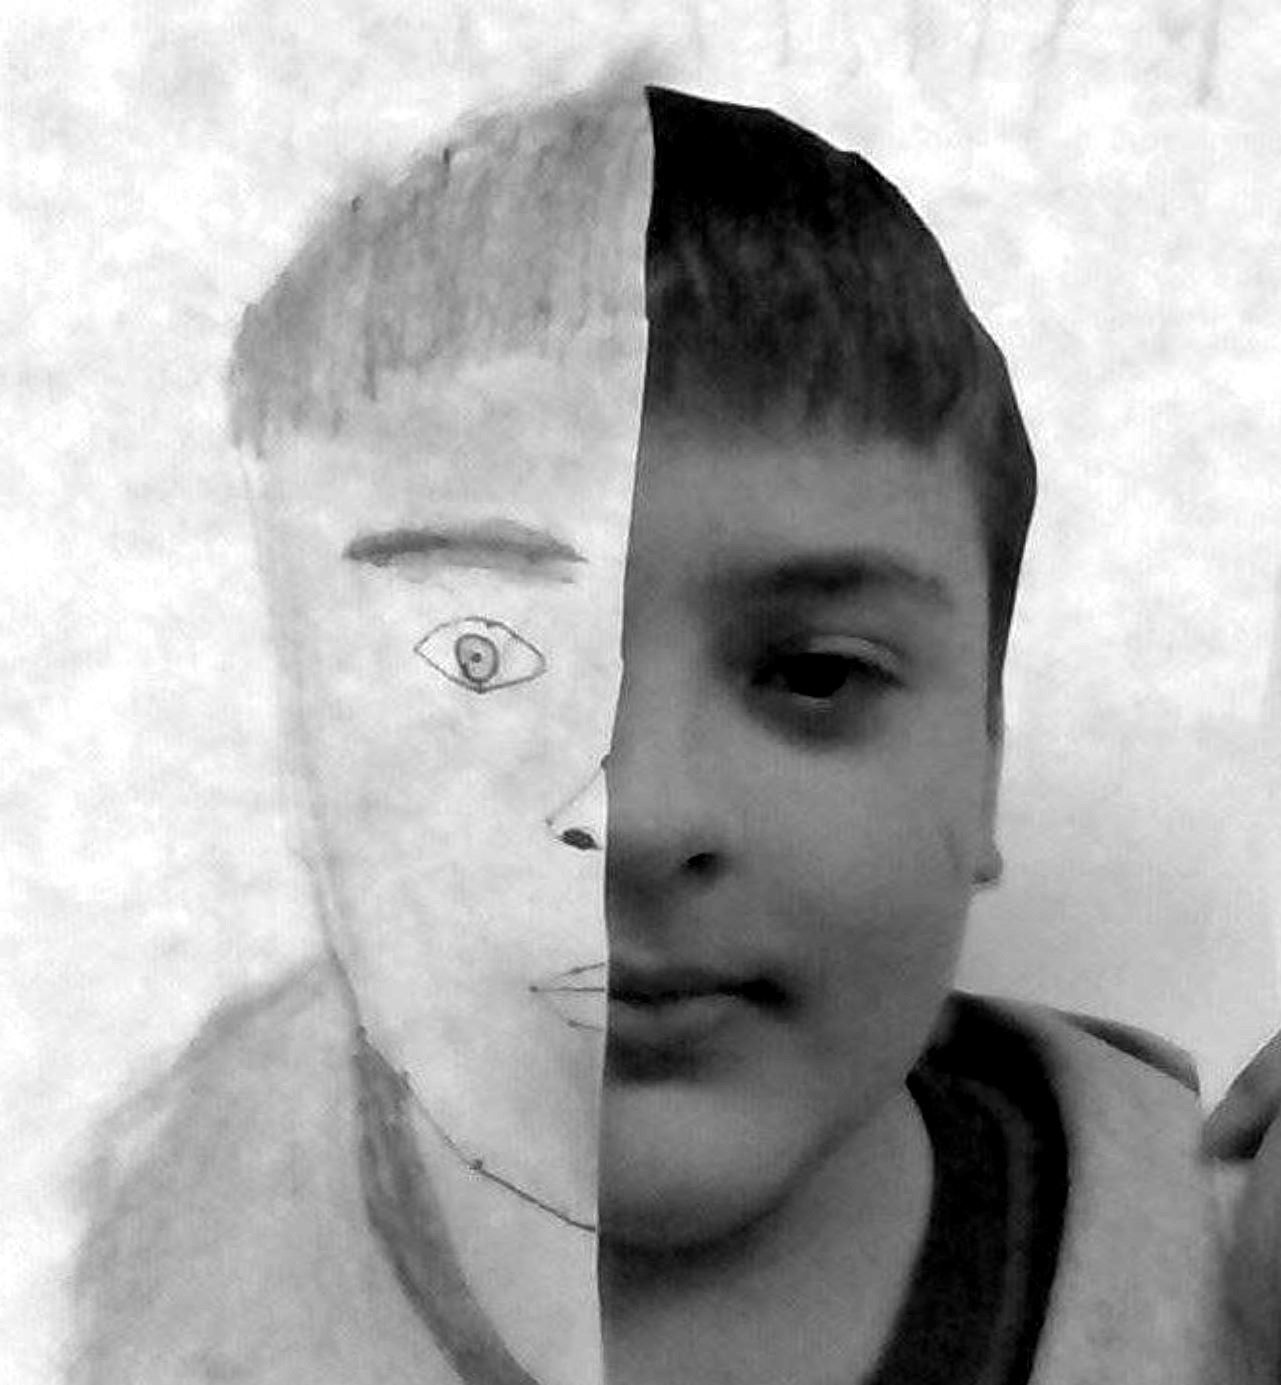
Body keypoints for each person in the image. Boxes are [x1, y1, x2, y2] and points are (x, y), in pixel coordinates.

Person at [68, 72, 1281, 1385]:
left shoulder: (1233, 1292)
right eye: (478, 663)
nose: (636, 814)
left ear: (984, 756)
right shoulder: (111, 1218)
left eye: (813, 674)